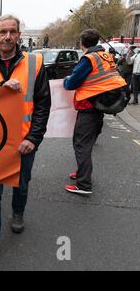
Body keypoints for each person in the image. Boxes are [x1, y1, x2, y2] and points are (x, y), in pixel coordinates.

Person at [0, 15, 51, 269]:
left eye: (12, 32)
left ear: (19, 35)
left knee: (21, 184)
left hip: (24, 142)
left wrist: (33, 138)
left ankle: (18, 212)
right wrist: (0, 87)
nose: (7, 36)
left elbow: (43, 104)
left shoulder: (35, 63)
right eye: (2, 32)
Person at [64, 29, 128, 195]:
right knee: (87, 141)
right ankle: (81, 173)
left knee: (81, 144)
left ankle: (83, 184)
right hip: (100, 104)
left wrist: (66, 81)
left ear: (81, 42)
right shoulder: (105, 55)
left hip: (88, 106)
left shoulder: (88, 58)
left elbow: (72, 84)